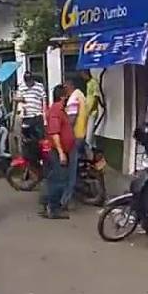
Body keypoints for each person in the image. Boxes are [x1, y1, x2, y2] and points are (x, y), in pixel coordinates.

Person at [42, 84, 75, 219]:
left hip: (59, 150)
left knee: (54, 179)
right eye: (66, 96)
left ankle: (49, 205)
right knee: (59, 180)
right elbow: (55, 133)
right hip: (57, 151)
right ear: (62, 97)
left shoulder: (60, 110)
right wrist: (61, 152)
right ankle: (54, 209)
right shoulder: (56, 110)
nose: (68, 98)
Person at [60, 75, 86, 208]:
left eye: (65, 87)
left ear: (70, 86)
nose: (64, 89)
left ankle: (66, 200)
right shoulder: (80, 95)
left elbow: (71, 120)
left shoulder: (73, 99)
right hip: (81, 133)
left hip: (75, 136)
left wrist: (63, 132)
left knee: (70, 170)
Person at [14, 73, 47, 163]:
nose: (28, 84)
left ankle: (40, 159)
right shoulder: (21, 87)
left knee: (39, 139)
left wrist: (44, 117)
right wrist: (18, 99)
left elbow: (43, 101)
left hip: (37, 115)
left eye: (30, 81)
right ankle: (30, 159)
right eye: (27, 82)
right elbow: (17, 98)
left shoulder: (39, 86)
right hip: (26, 117)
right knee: (27, 139)